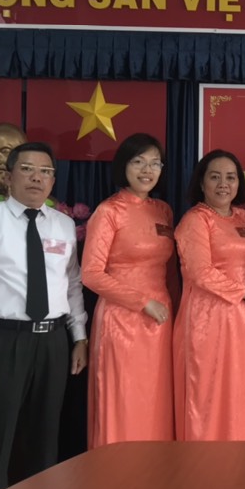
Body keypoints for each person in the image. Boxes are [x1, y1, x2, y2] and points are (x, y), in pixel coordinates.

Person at [0, 141, 89, 489]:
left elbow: (73, 284)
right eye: (28, 169)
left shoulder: (63, 224)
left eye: (46, 172)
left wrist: (79, 337)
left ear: (53, 180)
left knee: (45, 433)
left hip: (53, 341)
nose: (37, 178)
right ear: (9, 176)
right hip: (4, 339)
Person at [81, 133, 176, 446]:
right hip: (122, 320)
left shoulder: (163, 211)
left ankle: (156, 470)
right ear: (124, 166)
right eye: (139, 162)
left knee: (156, 400)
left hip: (162, 321)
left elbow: (171, 269)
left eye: (155, 163)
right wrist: (142, 302)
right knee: (124, 400)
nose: (147, 170)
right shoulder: (108, 212)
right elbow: (91, 274)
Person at [172, 150, 245, 441]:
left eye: (230, 177)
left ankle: (234, 461)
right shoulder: (195, 220)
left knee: (235, 393)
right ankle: (202, 463)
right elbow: (200, 272)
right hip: (206, 319)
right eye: (215, 177)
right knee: (206, 396)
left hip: (240, 320)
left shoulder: (243, 217)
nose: (223, 184)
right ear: (201, 183)